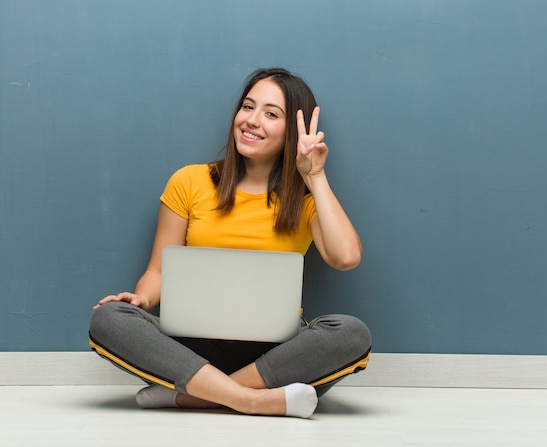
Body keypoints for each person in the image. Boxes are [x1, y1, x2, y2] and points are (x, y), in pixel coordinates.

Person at [88, 68, 371, 419]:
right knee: (109, 319)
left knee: (351, 335)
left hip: (274, 353)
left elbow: (346, 257)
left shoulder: (306, 200)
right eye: (248, 107)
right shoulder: (189, 181)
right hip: (191, 347)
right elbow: (157, 272)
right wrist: (142, 299)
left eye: (271, 114)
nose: (252, 121)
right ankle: (251, 400)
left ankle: (193, 395)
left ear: (293, 133)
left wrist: (314, 175)